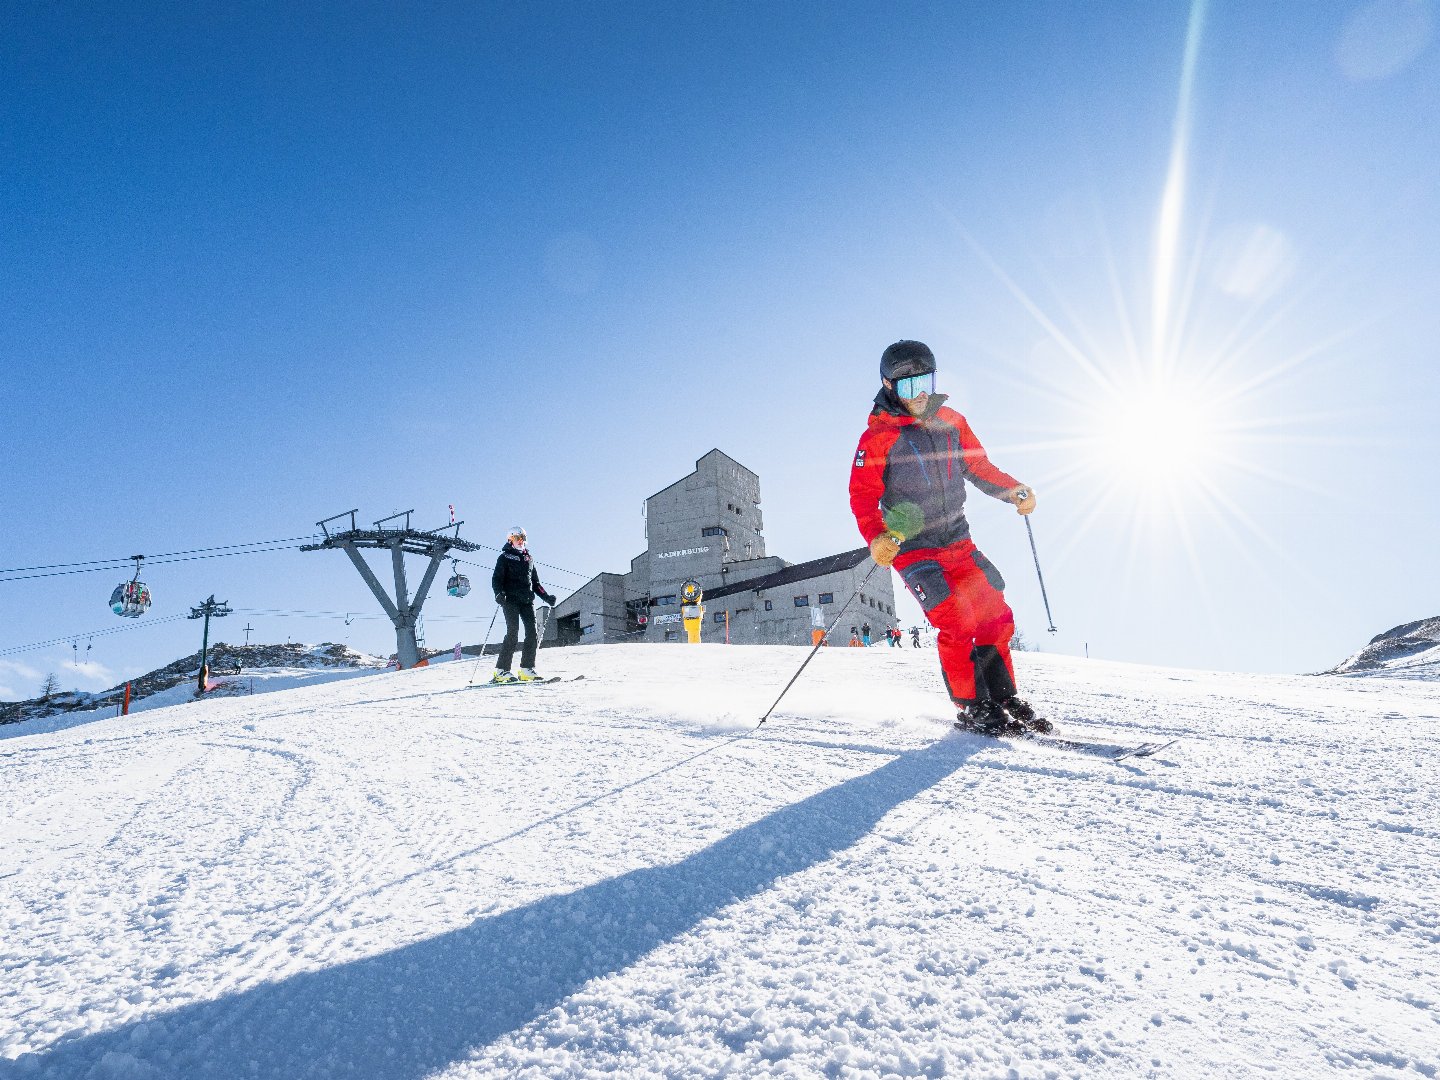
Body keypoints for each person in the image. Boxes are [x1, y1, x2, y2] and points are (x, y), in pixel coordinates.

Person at [848, 340, 1050, 735]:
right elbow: (862, 497)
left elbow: (978, 466)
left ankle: (1001, 694)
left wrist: (1013, 490)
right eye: (908, 387)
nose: (920, 394)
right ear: (889, 387)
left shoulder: (952, 422)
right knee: (956, 622)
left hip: (958, 541)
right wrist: (876, 538)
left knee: (995, 615)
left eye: (925, 382)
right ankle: (973, 705)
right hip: (915, 549)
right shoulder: (876, 439)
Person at [490, 526, 558, 684]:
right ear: (510, 540)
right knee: (513, 632)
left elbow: (536, 583)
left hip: (527, 600)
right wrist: (498, 593)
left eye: (523, 538)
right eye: (517, 538)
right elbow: (496, 579)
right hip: (510, 600)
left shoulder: (529, 559)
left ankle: (527, 669)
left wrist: (547, 597)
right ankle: (501, 671)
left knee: (532, 633)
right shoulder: (504, 557)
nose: (521, 541)